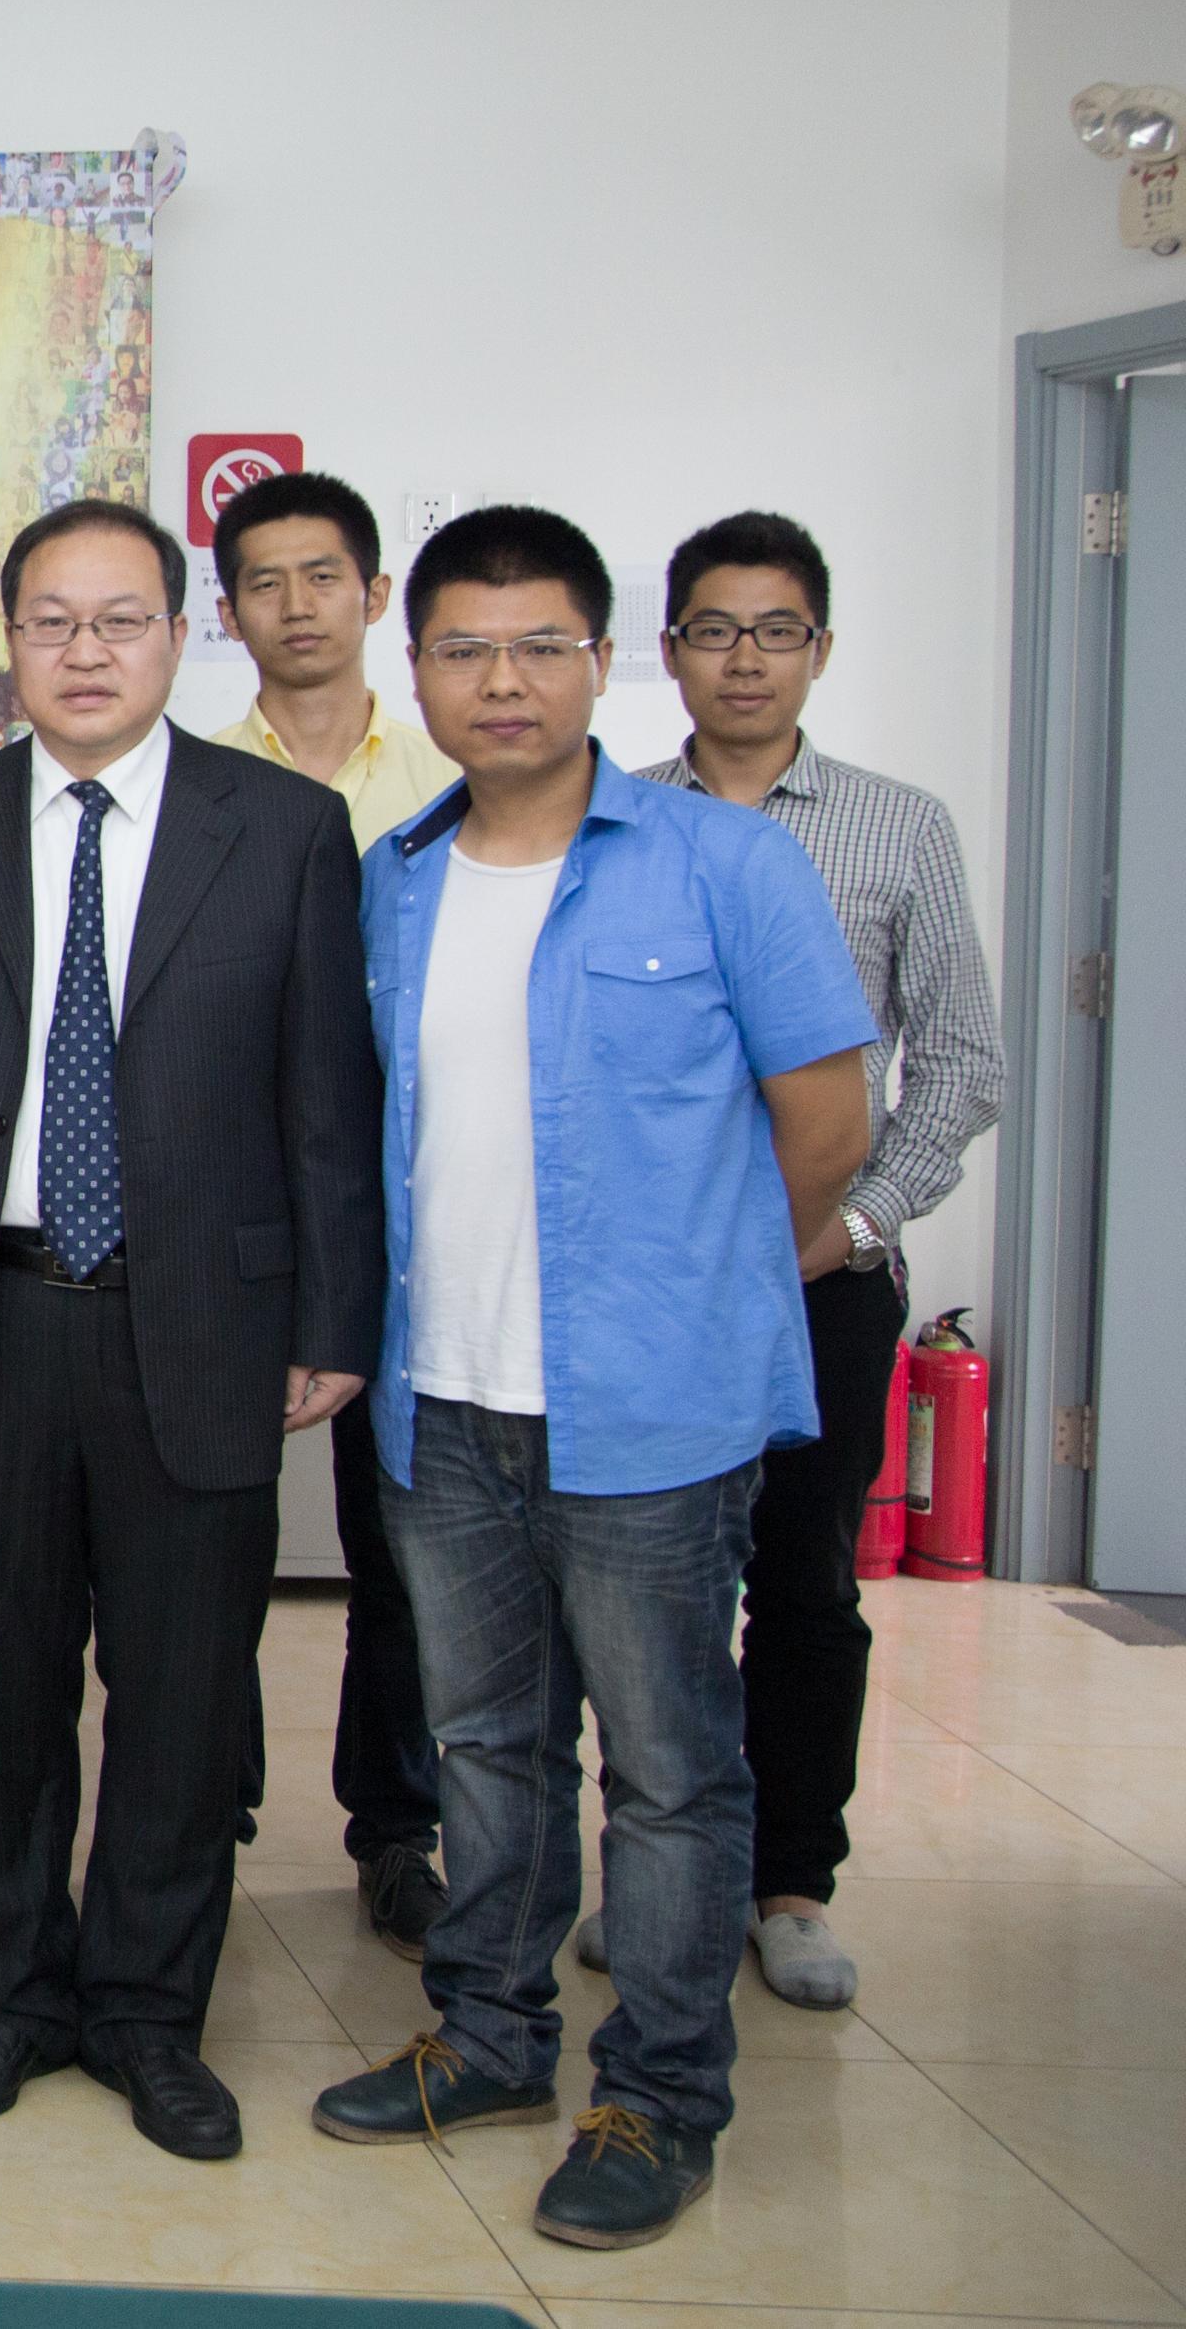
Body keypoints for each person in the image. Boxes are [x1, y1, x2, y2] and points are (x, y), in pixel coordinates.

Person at [309, 505, 874, 2254]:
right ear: (419, 669)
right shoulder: (394, 878)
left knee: (670, 1768)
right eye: (466, 648)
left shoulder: (725, 865)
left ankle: (660, 2093)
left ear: (600, 660)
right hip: (442, 1394)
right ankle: (489, 2034)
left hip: (650, 1410)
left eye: (540, 645)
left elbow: (825, 1123)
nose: (503, 680)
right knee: (484, 1745)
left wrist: (695, 1292)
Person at [0, 496, 382, 2163]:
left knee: (182, 1692)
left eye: (120, 619)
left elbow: (326, 1100)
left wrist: (332, 1313)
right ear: (6, 640)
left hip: (196, 1320)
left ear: (179, 635)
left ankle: (146, 2007)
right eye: (52, 621)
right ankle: (8, 1992)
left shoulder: (281, 827)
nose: (85, 651)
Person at [619, 511, 996, 2013]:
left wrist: (857, 1225)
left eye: (776, 630)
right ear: (668, 651)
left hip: (824, 1282)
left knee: (803, 1585)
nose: (745, 659)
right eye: (714, 629)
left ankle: (789, 1881)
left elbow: (959, 1061)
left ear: (820, 649)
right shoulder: (618, 816)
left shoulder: (900, 827)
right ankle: (661, 1873)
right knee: (644, 1595)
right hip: (656, 1283)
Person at [203, 470, 461, 1962]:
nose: (295, 606)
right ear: (226, 610)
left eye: (323, 577)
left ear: (373, 595)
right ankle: (210, 1806)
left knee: (400, 1546)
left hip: (414, 1218)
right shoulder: (193, 781)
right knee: (211, 1545)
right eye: (263, 580)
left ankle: (396, 1827)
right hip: (236, 1212)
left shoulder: (451, 780)